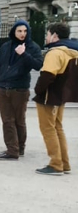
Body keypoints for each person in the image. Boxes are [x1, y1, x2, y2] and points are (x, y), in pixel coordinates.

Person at [0, 20, 43, 160]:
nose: (22, 34)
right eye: (19, 31)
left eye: (25, 31)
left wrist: (24, 54)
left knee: (19, 120)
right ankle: (12, 149)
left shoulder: (32, 47)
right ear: (14, 32)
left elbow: (38, 65)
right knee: (7, 120)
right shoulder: (6, 46)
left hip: (20, 89)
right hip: (3, 88)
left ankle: (19, 148)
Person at [33, 22, 78, 175]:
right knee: (58, 127)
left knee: (48, 129)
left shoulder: (55, 52)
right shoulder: (73, 51)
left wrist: (38, 90)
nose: (46, 37)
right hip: (63, 94)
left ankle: (56, 164)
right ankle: (64, 163)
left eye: (47, 34)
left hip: (49, 96)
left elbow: (48, 74)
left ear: (54, 35)